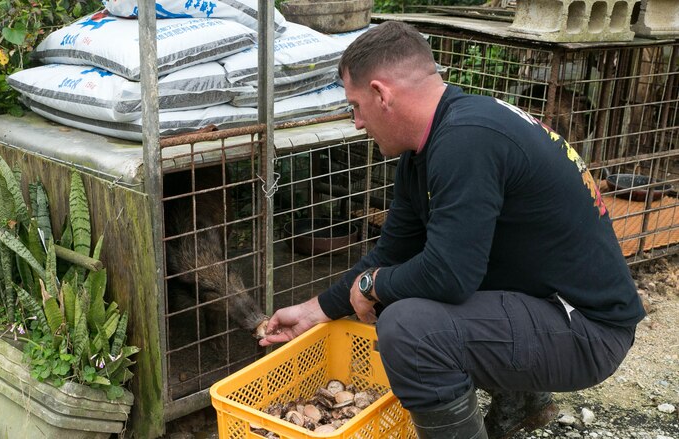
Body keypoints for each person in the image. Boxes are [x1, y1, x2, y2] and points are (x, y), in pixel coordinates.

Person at [259, 21, 646, 439]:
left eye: (355, 106)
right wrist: (315, 309)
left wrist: (372, 284)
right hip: (549, 304)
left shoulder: (466, 140)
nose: (356, 122)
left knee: (408, 328)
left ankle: (520, 399)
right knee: (397, 295)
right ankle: (523, 404)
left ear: (380, 93)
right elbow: (392, 254)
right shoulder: (428, 147)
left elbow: (450, 277)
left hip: (588, 329)